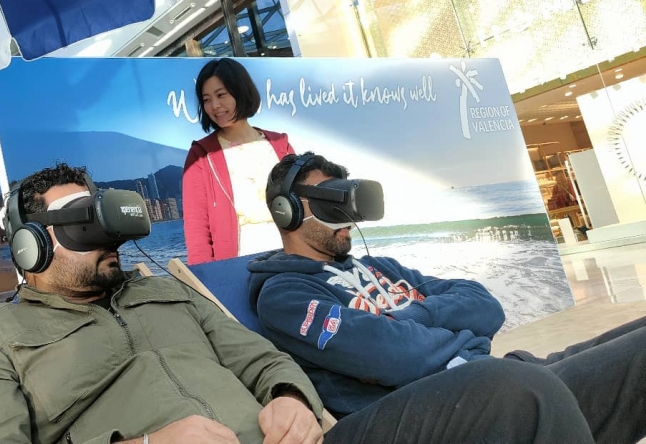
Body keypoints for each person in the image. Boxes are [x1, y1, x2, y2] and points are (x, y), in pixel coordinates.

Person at [0, 162, 599, 444]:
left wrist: (289, 395)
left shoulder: (162, 291)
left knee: (517, 388)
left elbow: (259, 358)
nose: (108, 235)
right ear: (28, 247)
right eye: (84, 223)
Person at [248, 152, 646, 444]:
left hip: (496, 381)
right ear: (288, 211)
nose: (346, 218)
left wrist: (411, 314)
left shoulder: (382, 266)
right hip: (452, 407)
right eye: (327, 202)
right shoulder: (285, 294)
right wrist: (457, 338)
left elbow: (484, 305)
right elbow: (393, 357)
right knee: (514, 382)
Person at [183, 58, 295, 265]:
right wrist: (204, 277)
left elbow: (302, 203)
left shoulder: (280, 144)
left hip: (291, 253)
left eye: (221, 95)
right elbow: (196, 226)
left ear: (241, 91)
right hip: (240, 261)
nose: (214, 106)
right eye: (206, 99)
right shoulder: (200, 155)